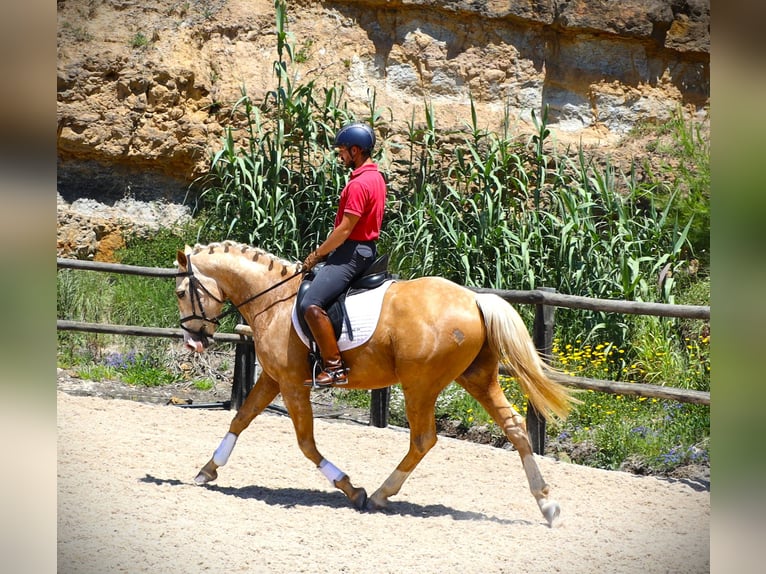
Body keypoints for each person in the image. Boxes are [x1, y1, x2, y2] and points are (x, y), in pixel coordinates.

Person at [300, 122, 387, 386]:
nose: (340, 156)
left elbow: (344, 230)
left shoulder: (359, 184)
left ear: (356, 150)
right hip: (365, 250)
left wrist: (316, 255)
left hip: (351, 252)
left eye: (343, 151)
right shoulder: (377, 177)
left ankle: (335, 367)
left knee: (310, 303)